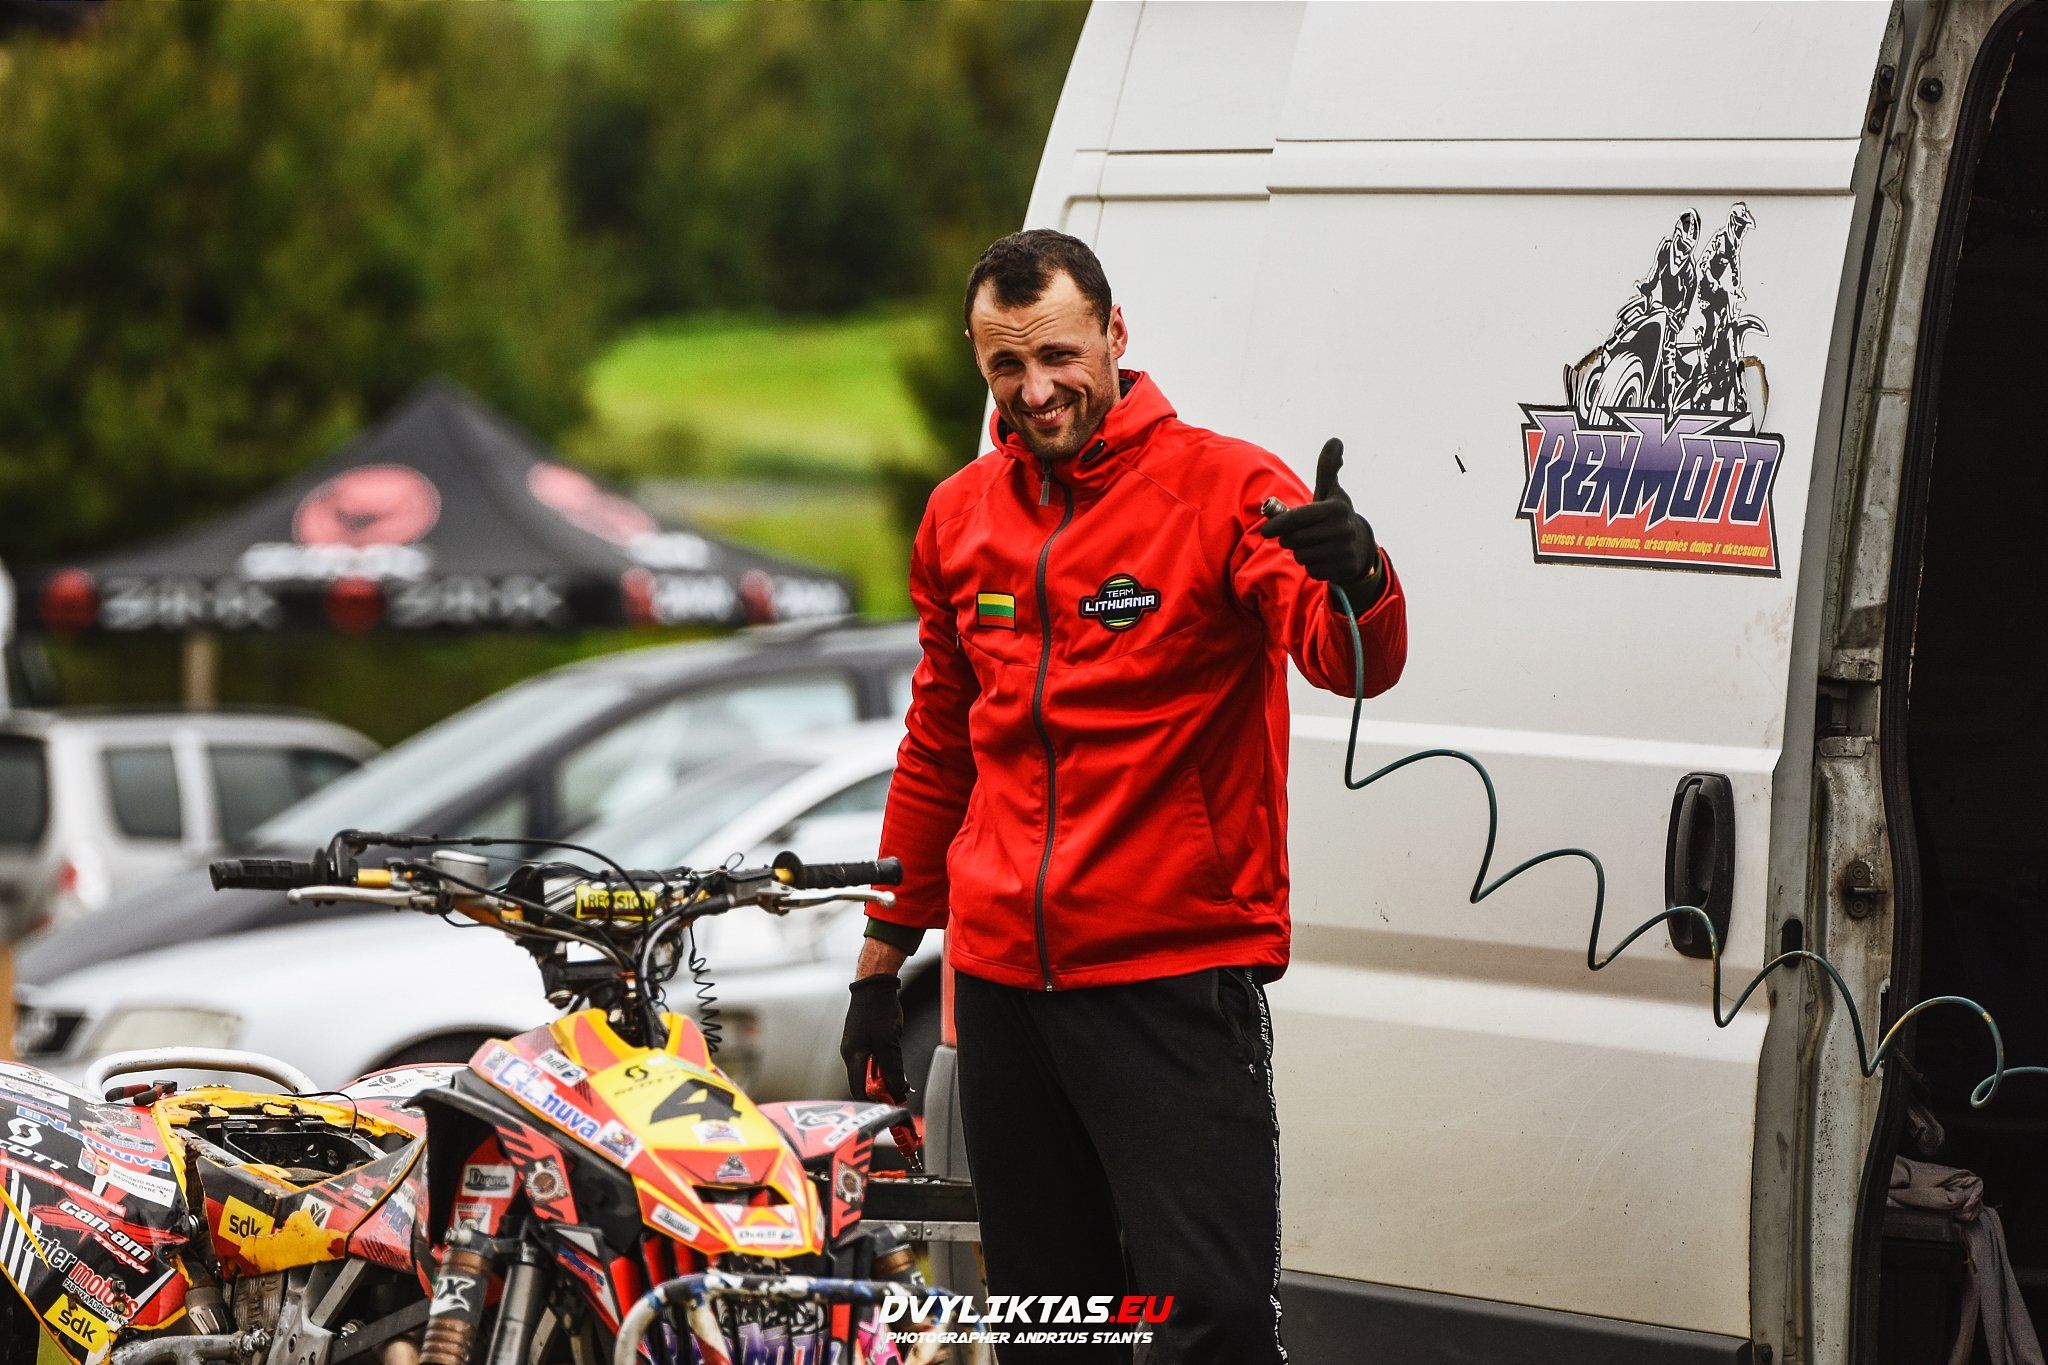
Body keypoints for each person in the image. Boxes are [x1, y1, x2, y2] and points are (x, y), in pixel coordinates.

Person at [839, 230, 1407, 1363]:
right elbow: (938, 746)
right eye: (1005, 366)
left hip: (1170, 977)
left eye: (1058, 354)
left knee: (1211, 1323)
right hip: (1000, 985)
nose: (1036, 390)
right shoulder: (959, 515)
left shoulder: (1225, 487)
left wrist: (1360, 575)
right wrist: (878, 960)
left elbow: (1348, 658)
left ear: (1113, 335)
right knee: (1050, 1328)